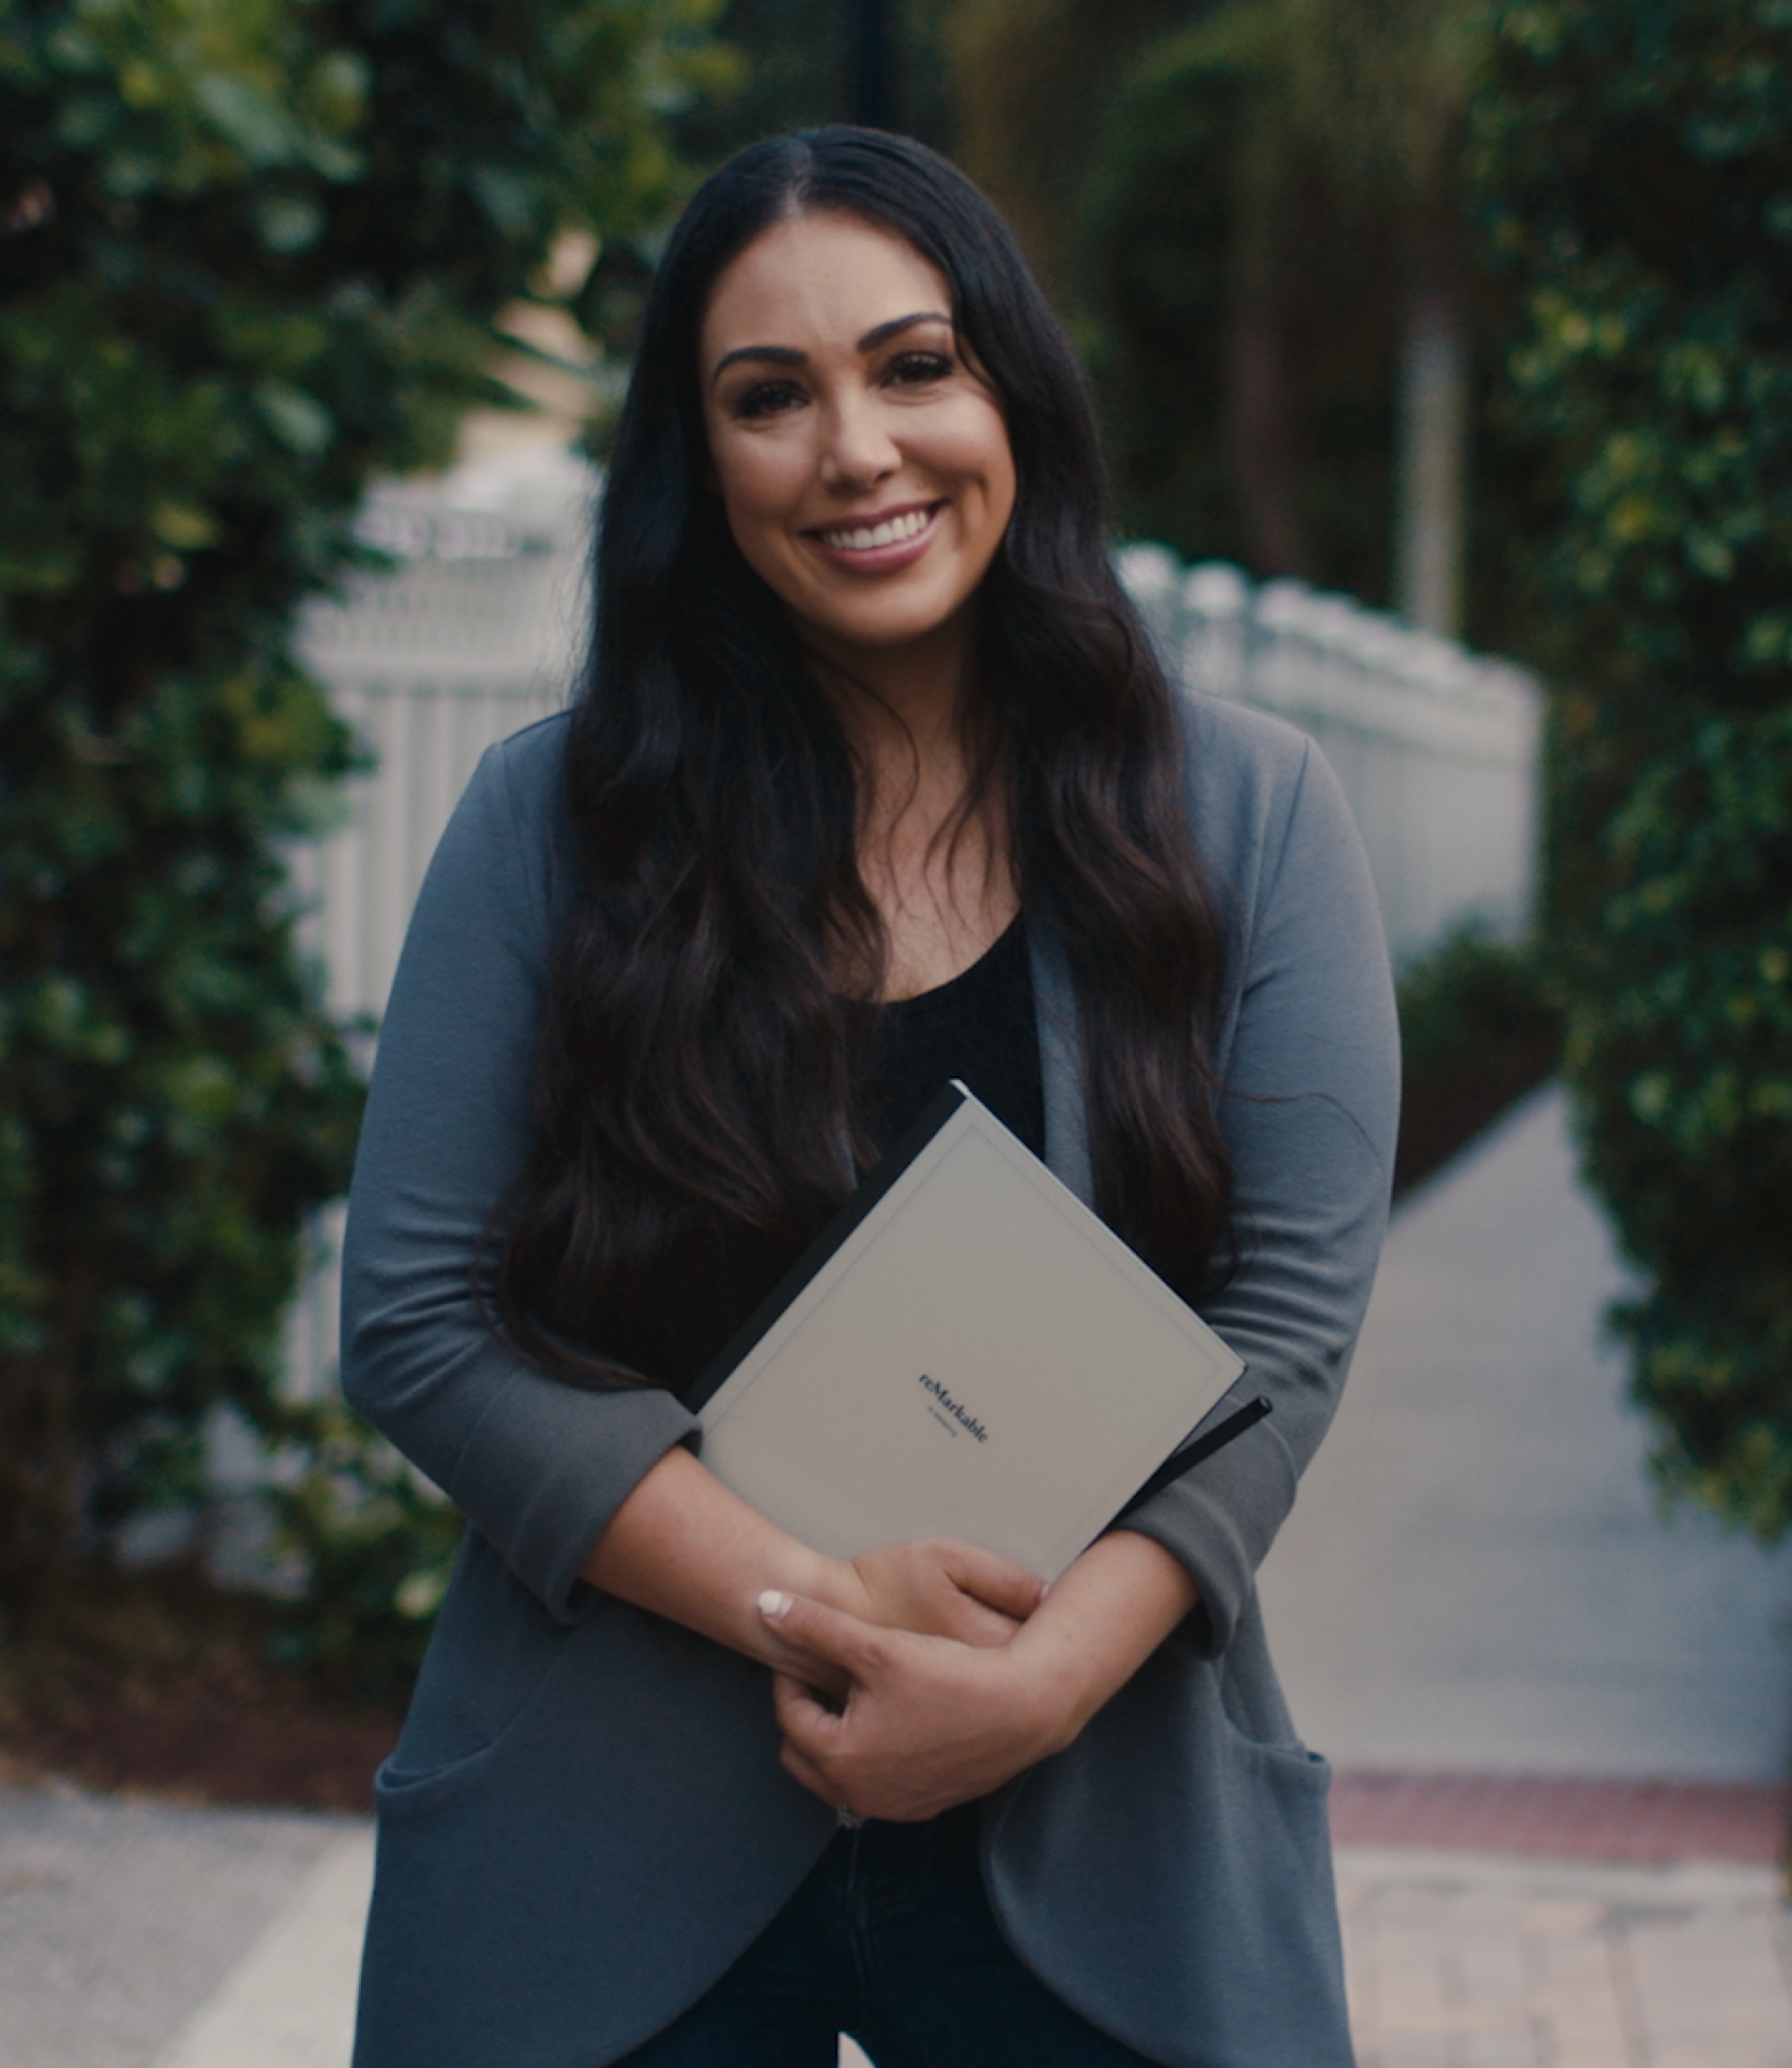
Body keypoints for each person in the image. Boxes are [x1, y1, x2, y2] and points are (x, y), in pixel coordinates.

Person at [338, 127, 1397, 2068]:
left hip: (1102, 1827)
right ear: (696, 464)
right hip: (607, 1820)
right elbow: (415, 1325)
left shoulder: (1250, 819)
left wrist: (1038, 1685)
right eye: (770, 397)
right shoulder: (546, 827)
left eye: (914, 366)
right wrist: (809, 1605)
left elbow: (1288, 1329)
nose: (855, 451)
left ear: (1013, 394)